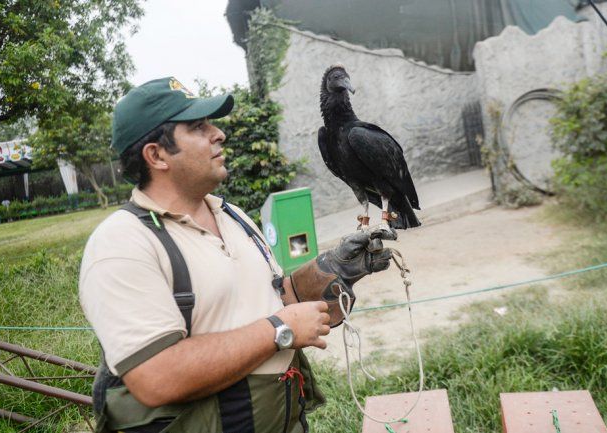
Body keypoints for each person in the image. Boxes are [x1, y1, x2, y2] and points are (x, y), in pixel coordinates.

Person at [79, 77, 394, 433]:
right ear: (156, 155)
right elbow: (156, 377)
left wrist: (333, 268)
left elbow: (277, 297)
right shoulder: (122, 245)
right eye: (199, 127)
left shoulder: (233, 216)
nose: (218, 134)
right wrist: (281, 329)